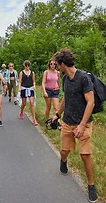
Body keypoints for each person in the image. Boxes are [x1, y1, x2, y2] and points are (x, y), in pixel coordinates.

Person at [52, 48, 98, 203]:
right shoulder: (65, 79)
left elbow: (90, 102)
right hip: (67, 122)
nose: (57, 67)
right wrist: (57, 114)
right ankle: (63, 161)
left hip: (83, 124)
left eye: (58, 65)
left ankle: (91, 185)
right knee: (64, 150)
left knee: (85, 155)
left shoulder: (84, 78)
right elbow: (65, 98)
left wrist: (81, 125)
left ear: (63, 64)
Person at [18, 60, 38, 126]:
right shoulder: (21, 73)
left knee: (32, 103)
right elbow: (20, 81)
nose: (27, 67)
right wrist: (19, 88)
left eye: (28, 65)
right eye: (26, 65)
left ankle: (34, 119)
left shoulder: (32, 73)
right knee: (24, 103)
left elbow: (34, 81)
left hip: (30, 88)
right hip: (24, 88)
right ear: (24, 66)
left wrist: (34, 86)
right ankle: (21, 111)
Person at [42, 59, 60, 123]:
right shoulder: (46, 72)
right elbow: (43, 82)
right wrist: (44, 91)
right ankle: (47, 120)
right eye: (51, 64)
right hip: (48, 90)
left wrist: (59, 89)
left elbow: (58, 82)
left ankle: (58, 122)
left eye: (54, 64)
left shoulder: (57, 73)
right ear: (49, 64)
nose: (52, 65)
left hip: (55, 90)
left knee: (56, 107)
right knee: (48, 106)